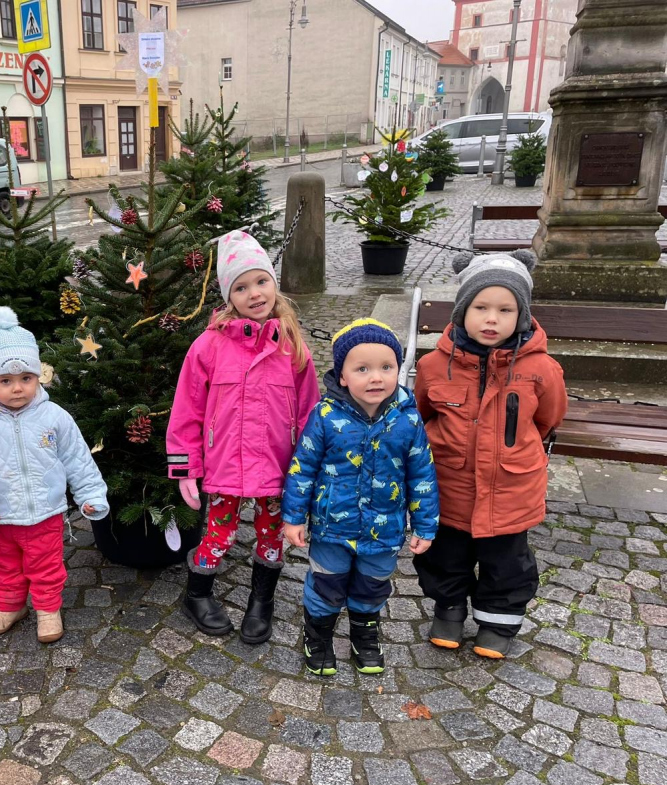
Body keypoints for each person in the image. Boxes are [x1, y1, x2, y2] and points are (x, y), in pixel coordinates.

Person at [167, 229, 320, 644]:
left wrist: (309, 467)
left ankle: (261, 600)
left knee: (272, 535)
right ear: (228, 296)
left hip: (277, 465)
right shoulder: (208, 346)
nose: (254, 293)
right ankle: (197, 594)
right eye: (241, 287)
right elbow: (187, 410)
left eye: (261, 281)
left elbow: (310, 411)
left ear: (273, 282)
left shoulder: (292, 345)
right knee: (219, 534)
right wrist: (186, 467)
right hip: (225, 464)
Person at [414, 250, 566, 659]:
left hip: (511, 487)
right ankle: (448, 608)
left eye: (505, 309)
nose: (491, 319)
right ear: (462, 311)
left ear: (522, 314)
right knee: (446, 555)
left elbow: (548, 418)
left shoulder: (541, 369)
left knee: (507, 562)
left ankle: (498, 620)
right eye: (481, 307)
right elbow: (422, 413)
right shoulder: (434, 365)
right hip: (451, 484)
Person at [282, 319, 438, 676]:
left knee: (372, 586)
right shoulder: (325, 416)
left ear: (399, 370)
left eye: (386, 367)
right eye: (362, 369)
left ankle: (364, 635)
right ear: (342, 376)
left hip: (384, 530)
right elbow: (303, 468)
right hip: (332, 528)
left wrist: (425, 526)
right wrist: (293, 518)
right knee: (326, 583)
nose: (376, 378)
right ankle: (318, 636)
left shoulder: (408, 420)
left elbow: (422, 475)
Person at [0, 307, 109, 643]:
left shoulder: (54, 416)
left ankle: (48, 609)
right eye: (5, 381)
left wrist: (91, 495)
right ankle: (10, 605)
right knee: (5, 565)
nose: (18, 388)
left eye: (26, 378)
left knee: (46, 565)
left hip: (44, 512)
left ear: (39, 376)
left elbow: (78, 459)